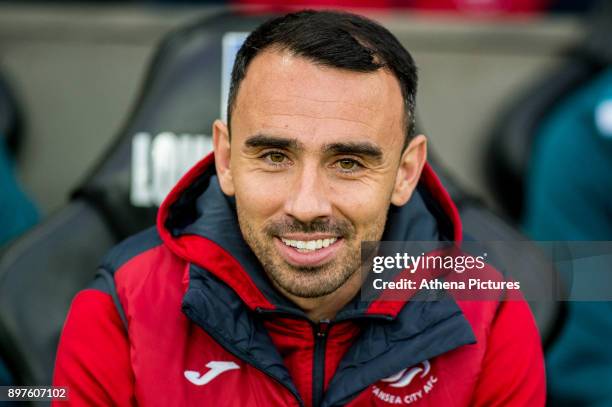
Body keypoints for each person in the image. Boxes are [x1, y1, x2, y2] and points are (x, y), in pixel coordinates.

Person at [53, 10, 545, 406]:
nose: (306, 204)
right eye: (274, 156)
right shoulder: (119, 309)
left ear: (406, 173)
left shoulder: (490, 314)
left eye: (348, 162)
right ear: (224, 159)